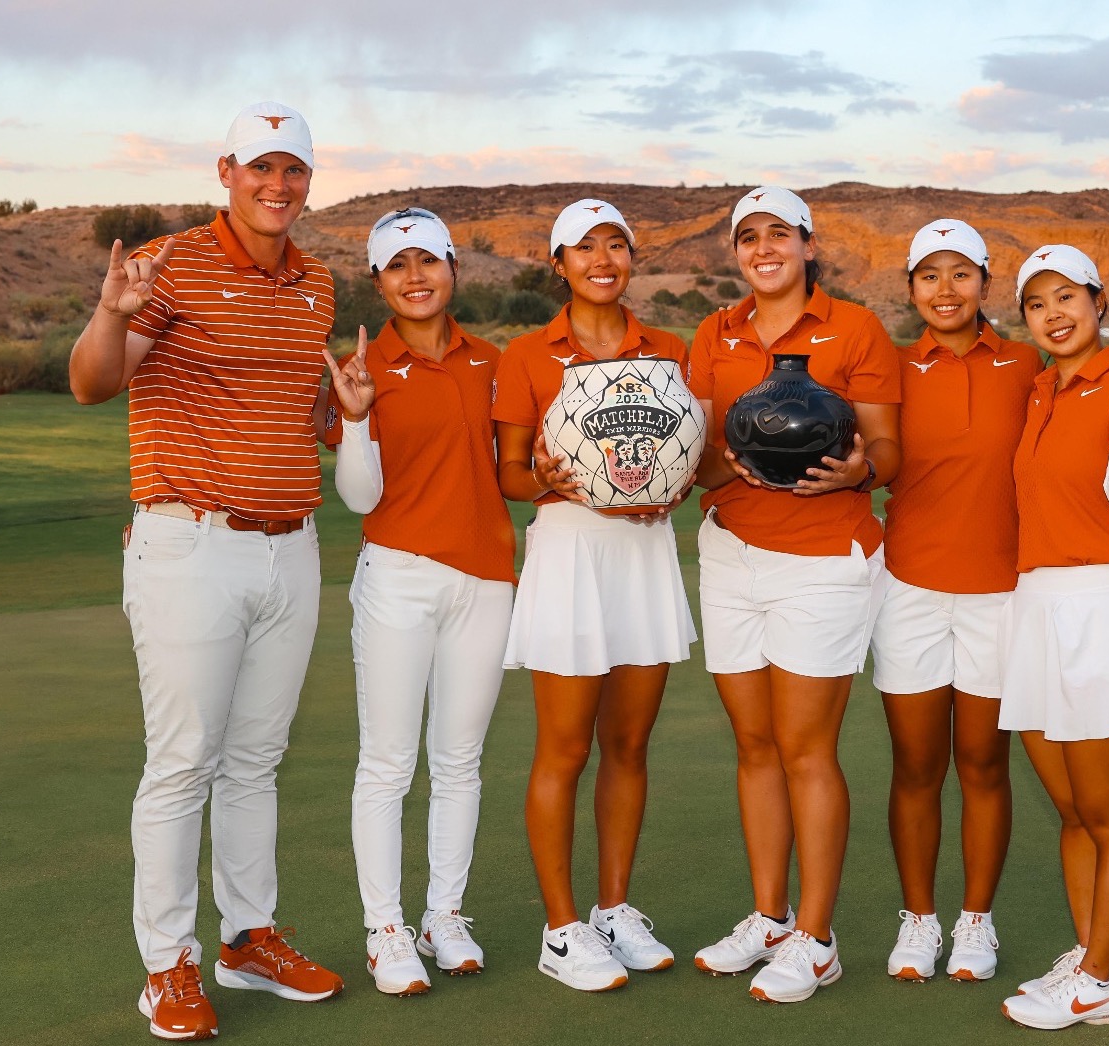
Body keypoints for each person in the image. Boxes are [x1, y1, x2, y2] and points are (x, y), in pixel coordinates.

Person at [68, 102, 347, 1042]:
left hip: (292, 547)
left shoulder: (318, 283)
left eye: (294, 171)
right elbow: (93, 382)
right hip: (191, 542)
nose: (278, 186)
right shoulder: (170, 263)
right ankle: (167, 967)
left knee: (256, 760)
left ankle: (248, 937)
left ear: (310, 181)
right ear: (227, 170)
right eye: (261, 168)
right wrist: (110, 313)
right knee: (183, 761)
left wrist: (342, 413)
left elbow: (290, 406)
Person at [688, 186, 903, 1003]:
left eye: (780, 233)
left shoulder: (856, 328)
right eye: (749, 236)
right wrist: (719, 465)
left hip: (823, 559)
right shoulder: (716, 331)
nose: (764, 247)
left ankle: (817, 937)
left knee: (806, 746)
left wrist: (860, 470)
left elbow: (887, 446)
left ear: (809, 245)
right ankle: (770, 916)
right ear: (735, 253)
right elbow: (701, 452)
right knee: (755, 746)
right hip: (732, 551)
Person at [491, 199, 696, 992]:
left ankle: (614, 907)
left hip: (644, 555)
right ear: (559, 264)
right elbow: (510, 473)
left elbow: (686, 451)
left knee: (630, 745)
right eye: (585, 248)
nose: (603, 258)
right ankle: (561, 927)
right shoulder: (527, 355)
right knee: (565, 748)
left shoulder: (669, 347)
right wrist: (541, 478)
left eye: (618, 245)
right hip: (571, 554)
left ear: (632, 259)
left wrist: (673, 488)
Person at [992, 245, 1109, 1031]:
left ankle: (1102, 977)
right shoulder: (1041, 389)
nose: (1053, 314)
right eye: (1037, 303)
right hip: (1036, 608)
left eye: (1067, 296)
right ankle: (1087, 956)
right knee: (1072, 813)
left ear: (1100, 302)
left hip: (1102, 610)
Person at [320, 208, 514, 996]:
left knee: (460, 760)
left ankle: (444, 914)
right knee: (390, 762)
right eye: (397, 266)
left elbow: (511, 471)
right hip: (398, 577)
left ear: (453, 269)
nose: (415, 276)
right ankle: (385, 927)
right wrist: (358, 419)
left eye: (427, 261)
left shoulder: (493, 362)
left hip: (487, 579)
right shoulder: (362, 368)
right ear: (377, 281)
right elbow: (360, 495)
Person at [873, 220, 1038, 983]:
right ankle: (918, 920)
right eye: (929, 275)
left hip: (998, 594)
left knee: (982, 762)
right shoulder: (890, 367)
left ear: (985, 283)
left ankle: (976, 920)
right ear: (910, 288)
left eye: (961, 273)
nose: (946, 290)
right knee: (915, 764)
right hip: (908, 586)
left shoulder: (1028, 363)